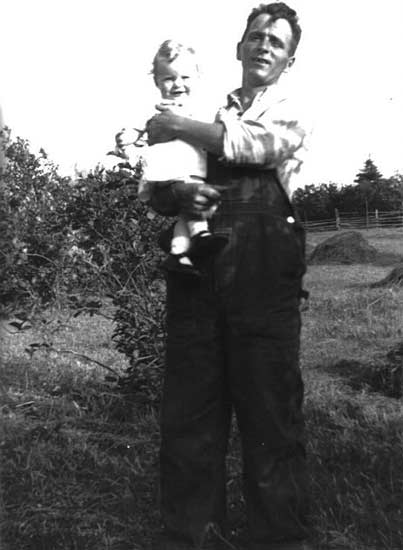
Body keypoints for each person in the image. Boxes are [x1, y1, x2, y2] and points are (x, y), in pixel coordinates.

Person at [146, 3, 312, 549]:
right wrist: (180, 192)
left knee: (270, 417)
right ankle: (191, 537)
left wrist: (179, 125)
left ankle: (278, 539)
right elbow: (160, 184)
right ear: (239, 47)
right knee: (190, 416)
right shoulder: (199, 103)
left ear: (289, 59)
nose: (264, 46)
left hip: (264, 280)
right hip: (199, 277)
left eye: (277, 42)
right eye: (256, 36)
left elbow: (255, 145)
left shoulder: (289, 106)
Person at [114, 40, 227, 275]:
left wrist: (221, 118)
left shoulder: (203, 108)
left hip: (192, 171)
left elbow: (216, 130)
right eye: (169, 78)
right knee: (194, 204)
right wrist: (129, 135)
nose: (178, 84)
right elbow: (139, 127)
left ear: (197, 77)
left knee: (187, 214)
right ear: (156, 81)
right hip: (168, 173)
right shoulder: (160, 108)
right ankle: (201, 237)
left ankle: (179, 255)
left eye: (185, 78)